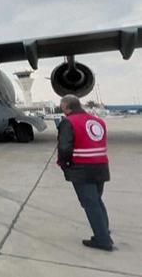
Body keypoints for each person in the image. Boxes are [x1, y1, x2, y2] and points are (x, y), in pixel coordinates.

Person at [57, 94, 113, 251]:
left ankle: (103, 240)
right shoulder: (98, 121)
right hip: (101, 166)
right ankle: (104, 232)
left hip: (82, 169)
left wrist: (64, 164)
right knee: (97, 201)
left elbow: (64, 147)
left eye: (63, 107)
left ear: (67, 106)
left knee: (90, 204)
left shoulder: (68, 122)